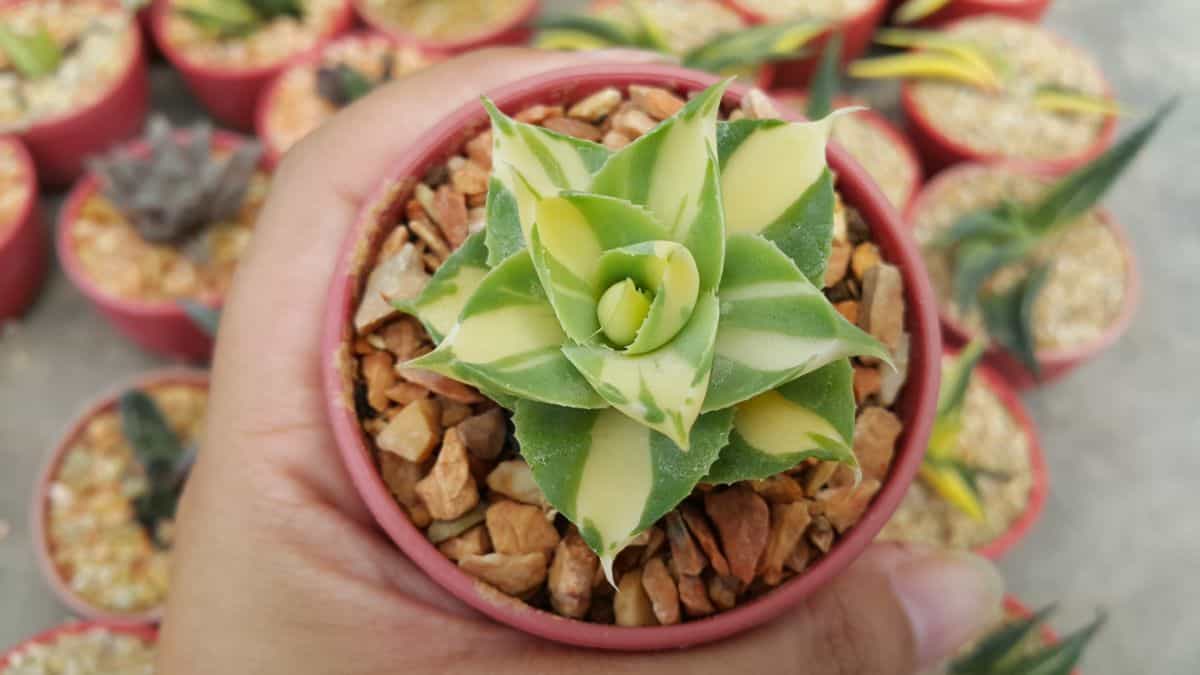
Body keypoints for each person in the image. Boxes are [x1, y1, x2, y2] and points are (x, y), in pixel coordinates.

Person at [157, 48, 1004, 674]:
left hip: (698, 354)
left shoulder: (690, 279)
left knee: (803, 336)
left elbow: (723, 329)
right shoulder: (555, 286)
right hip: (607, 371)